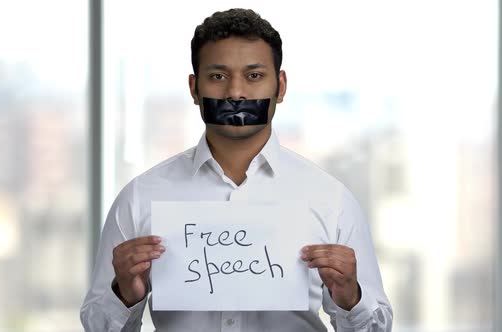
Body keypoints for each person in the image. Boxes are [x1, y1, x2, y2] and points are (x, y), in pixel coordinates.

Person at [81, 8, 393, 332]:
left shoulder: (332, 202)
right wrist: (124, 294)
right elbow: (97, 326)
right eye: (218, 76)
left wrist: (350, 298)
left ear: (281, 86)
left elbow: (376, 328)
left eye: (254, 75)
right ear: (193, 88)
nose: (235, 93)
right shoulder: (139, 199)